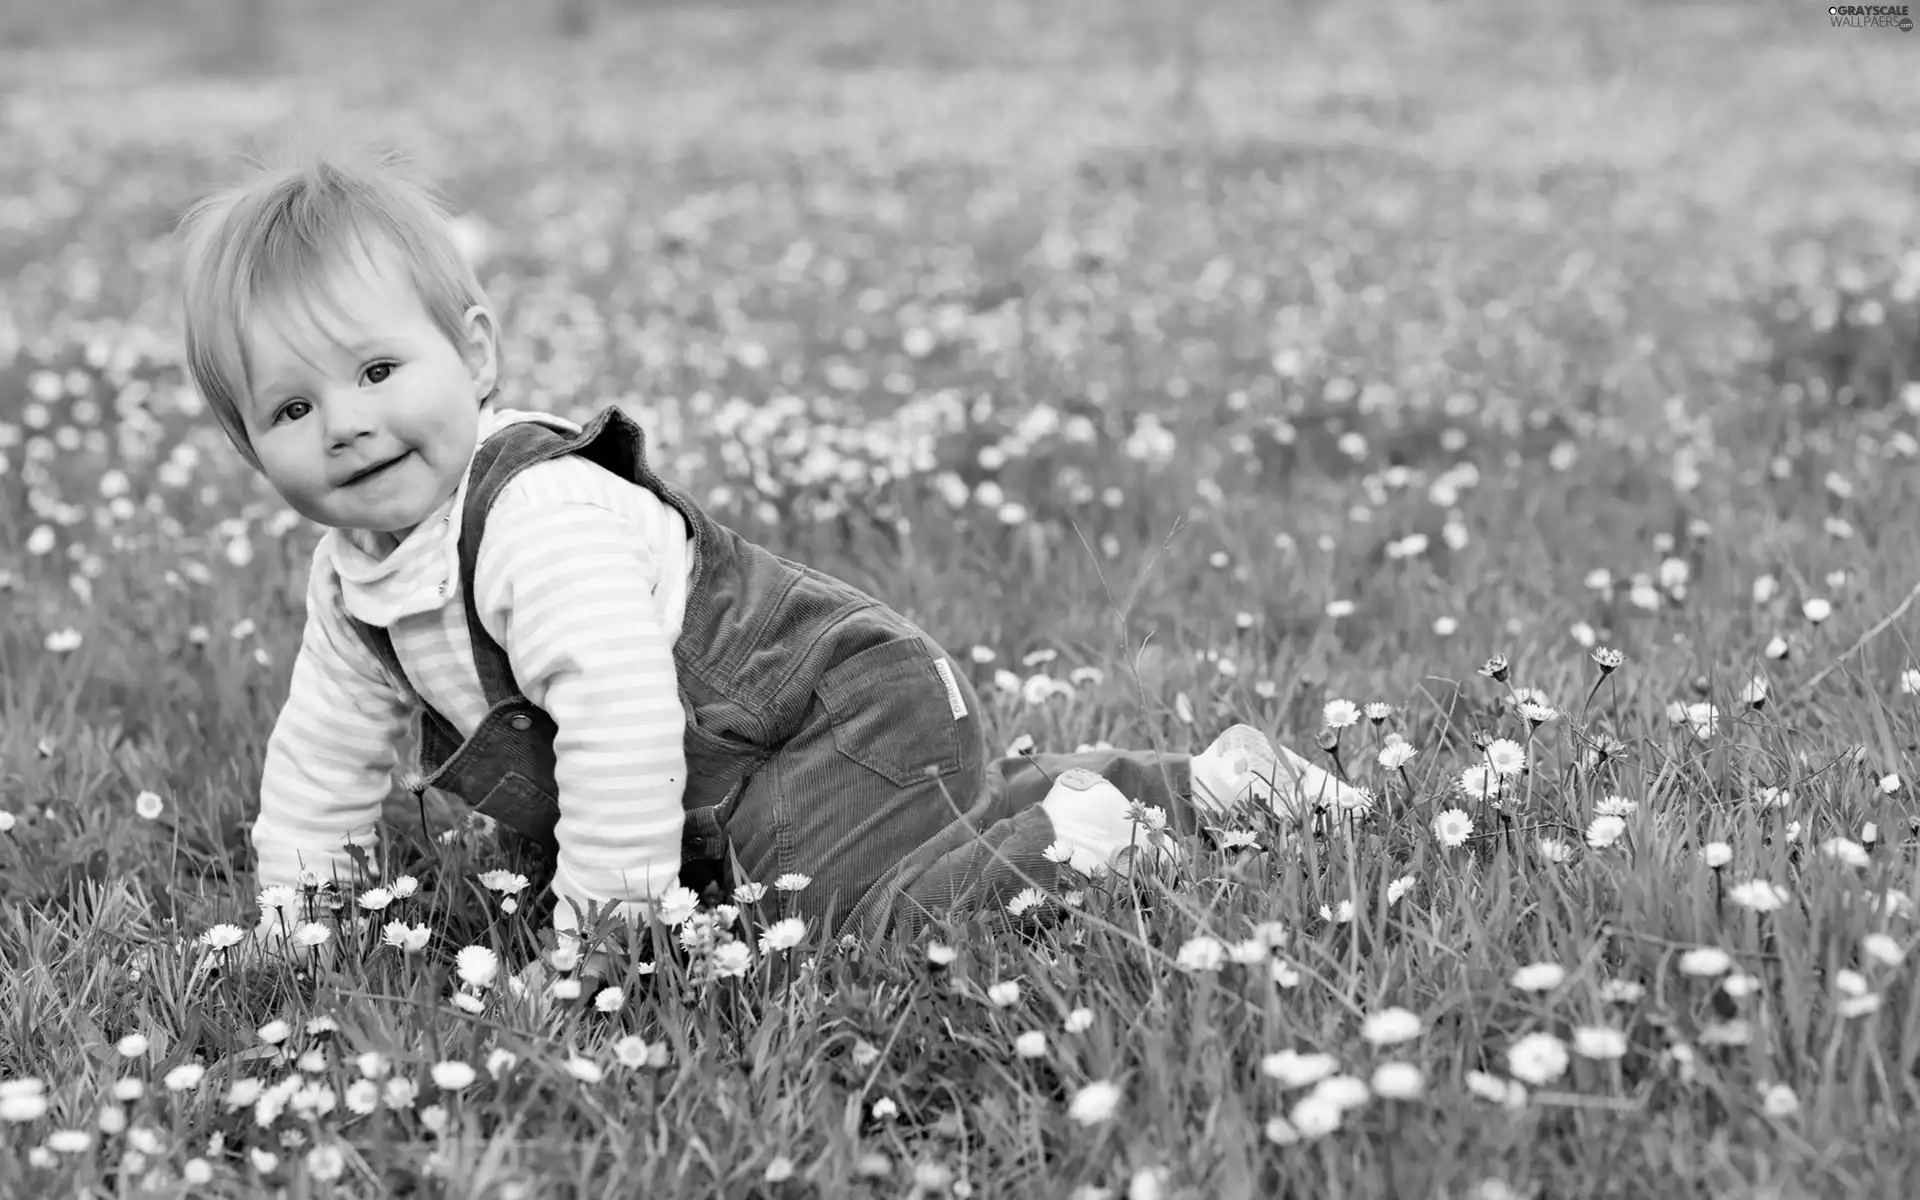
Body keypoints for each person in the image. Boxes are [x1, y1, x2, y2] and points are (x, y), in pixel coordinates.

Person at [176, 143, 1364, 959]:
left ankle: (1091, 836)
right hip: (745, 773)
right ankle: (1202, 784)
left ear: (474, 356)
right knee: (834, 873)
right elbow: (322, 764)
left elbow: (626, 723)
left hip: (831, 717)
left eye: (379, 370)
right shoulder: (355, 589)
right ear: (248, 445)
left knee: (864, 921)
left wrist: (610, 933)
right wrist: (294, 930)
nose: (347, 423)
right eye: (290, 409)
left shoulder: (533, 523)